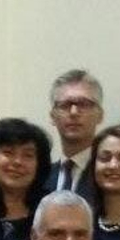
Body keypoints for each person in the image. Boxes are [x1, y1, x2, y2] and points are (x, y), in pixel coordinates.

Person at [48, 69, 104, 198]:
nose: (73, 112)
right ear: (52, 116)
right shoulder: (40, 176)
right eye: (65, 105)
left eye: (84, 104)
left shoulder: (110, 174)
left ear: (100, 115)